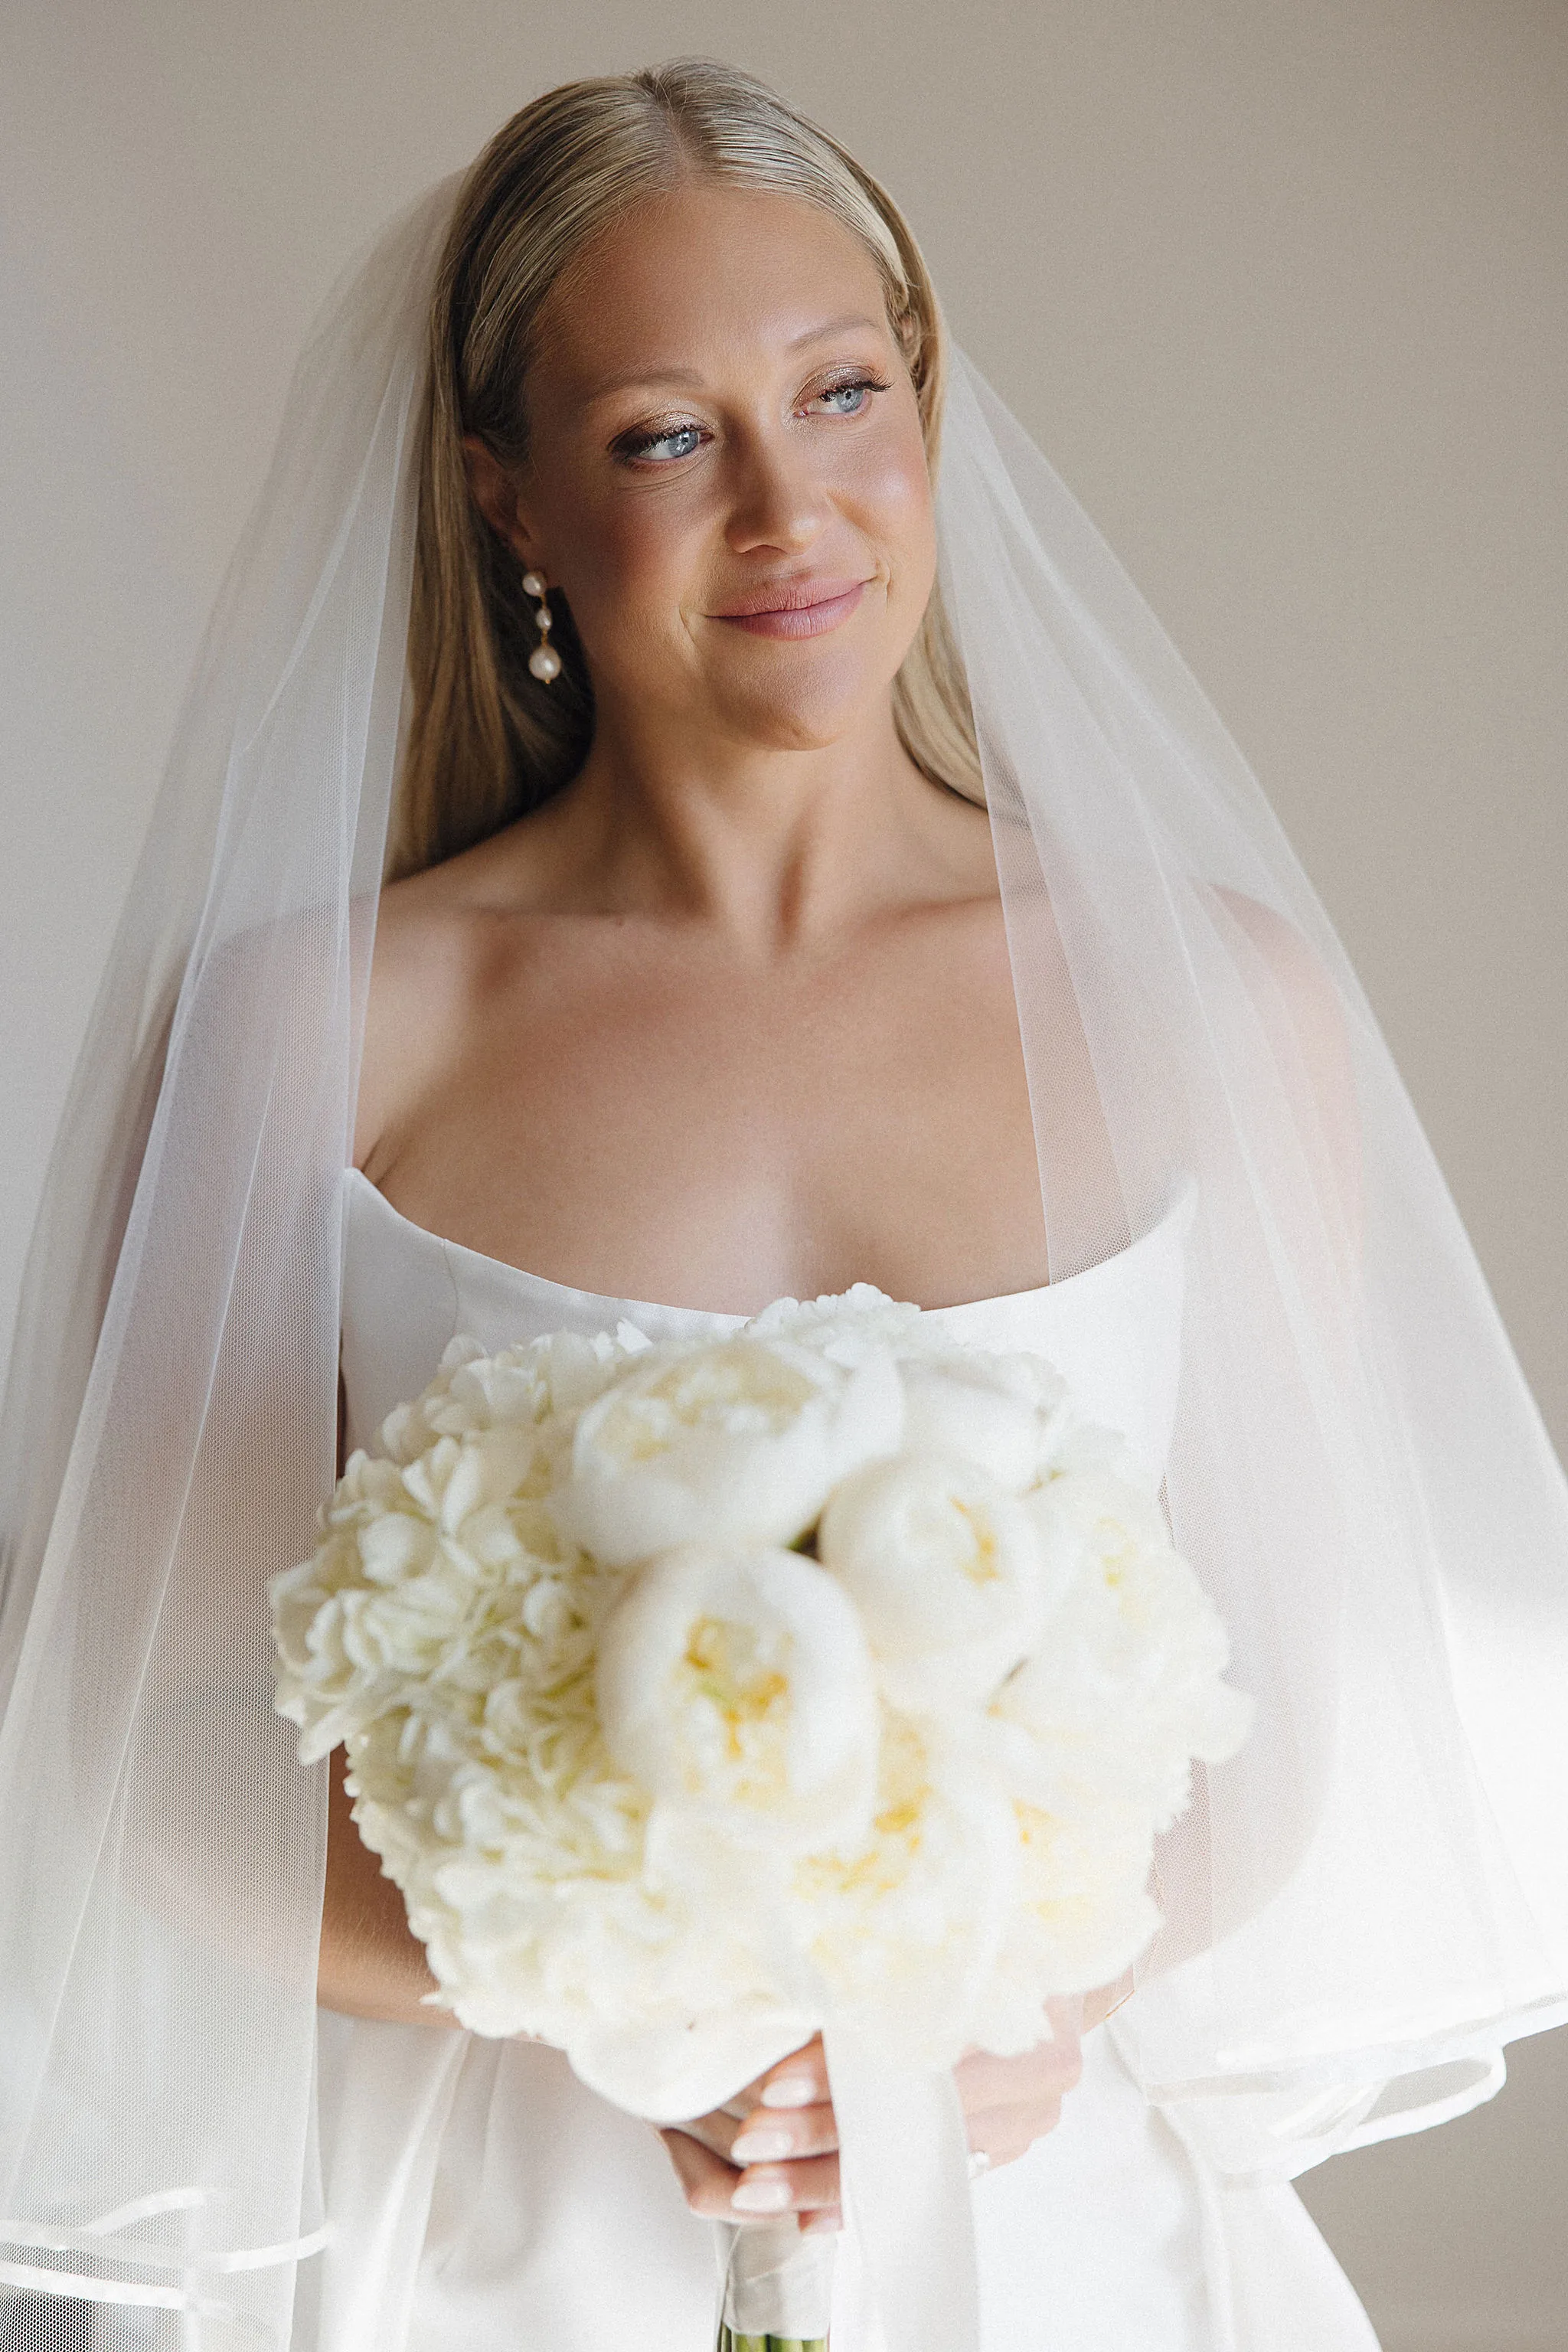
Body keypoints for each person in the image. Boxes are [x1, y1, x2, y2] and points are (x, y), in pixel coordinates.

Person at [3, 58, 1566, 2352]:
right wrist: (602, 2003)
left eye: (843, 391)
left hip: (1052, 2226)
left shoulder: (1199, 999)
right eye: (662, 433)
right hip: (485, 2245)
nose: (786, 509)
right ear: (506, 501)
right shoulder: (319, 1033)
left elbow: (1278, 1711)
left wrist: (1027, 2003)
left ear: (929, 407)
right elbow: (151, 1757)